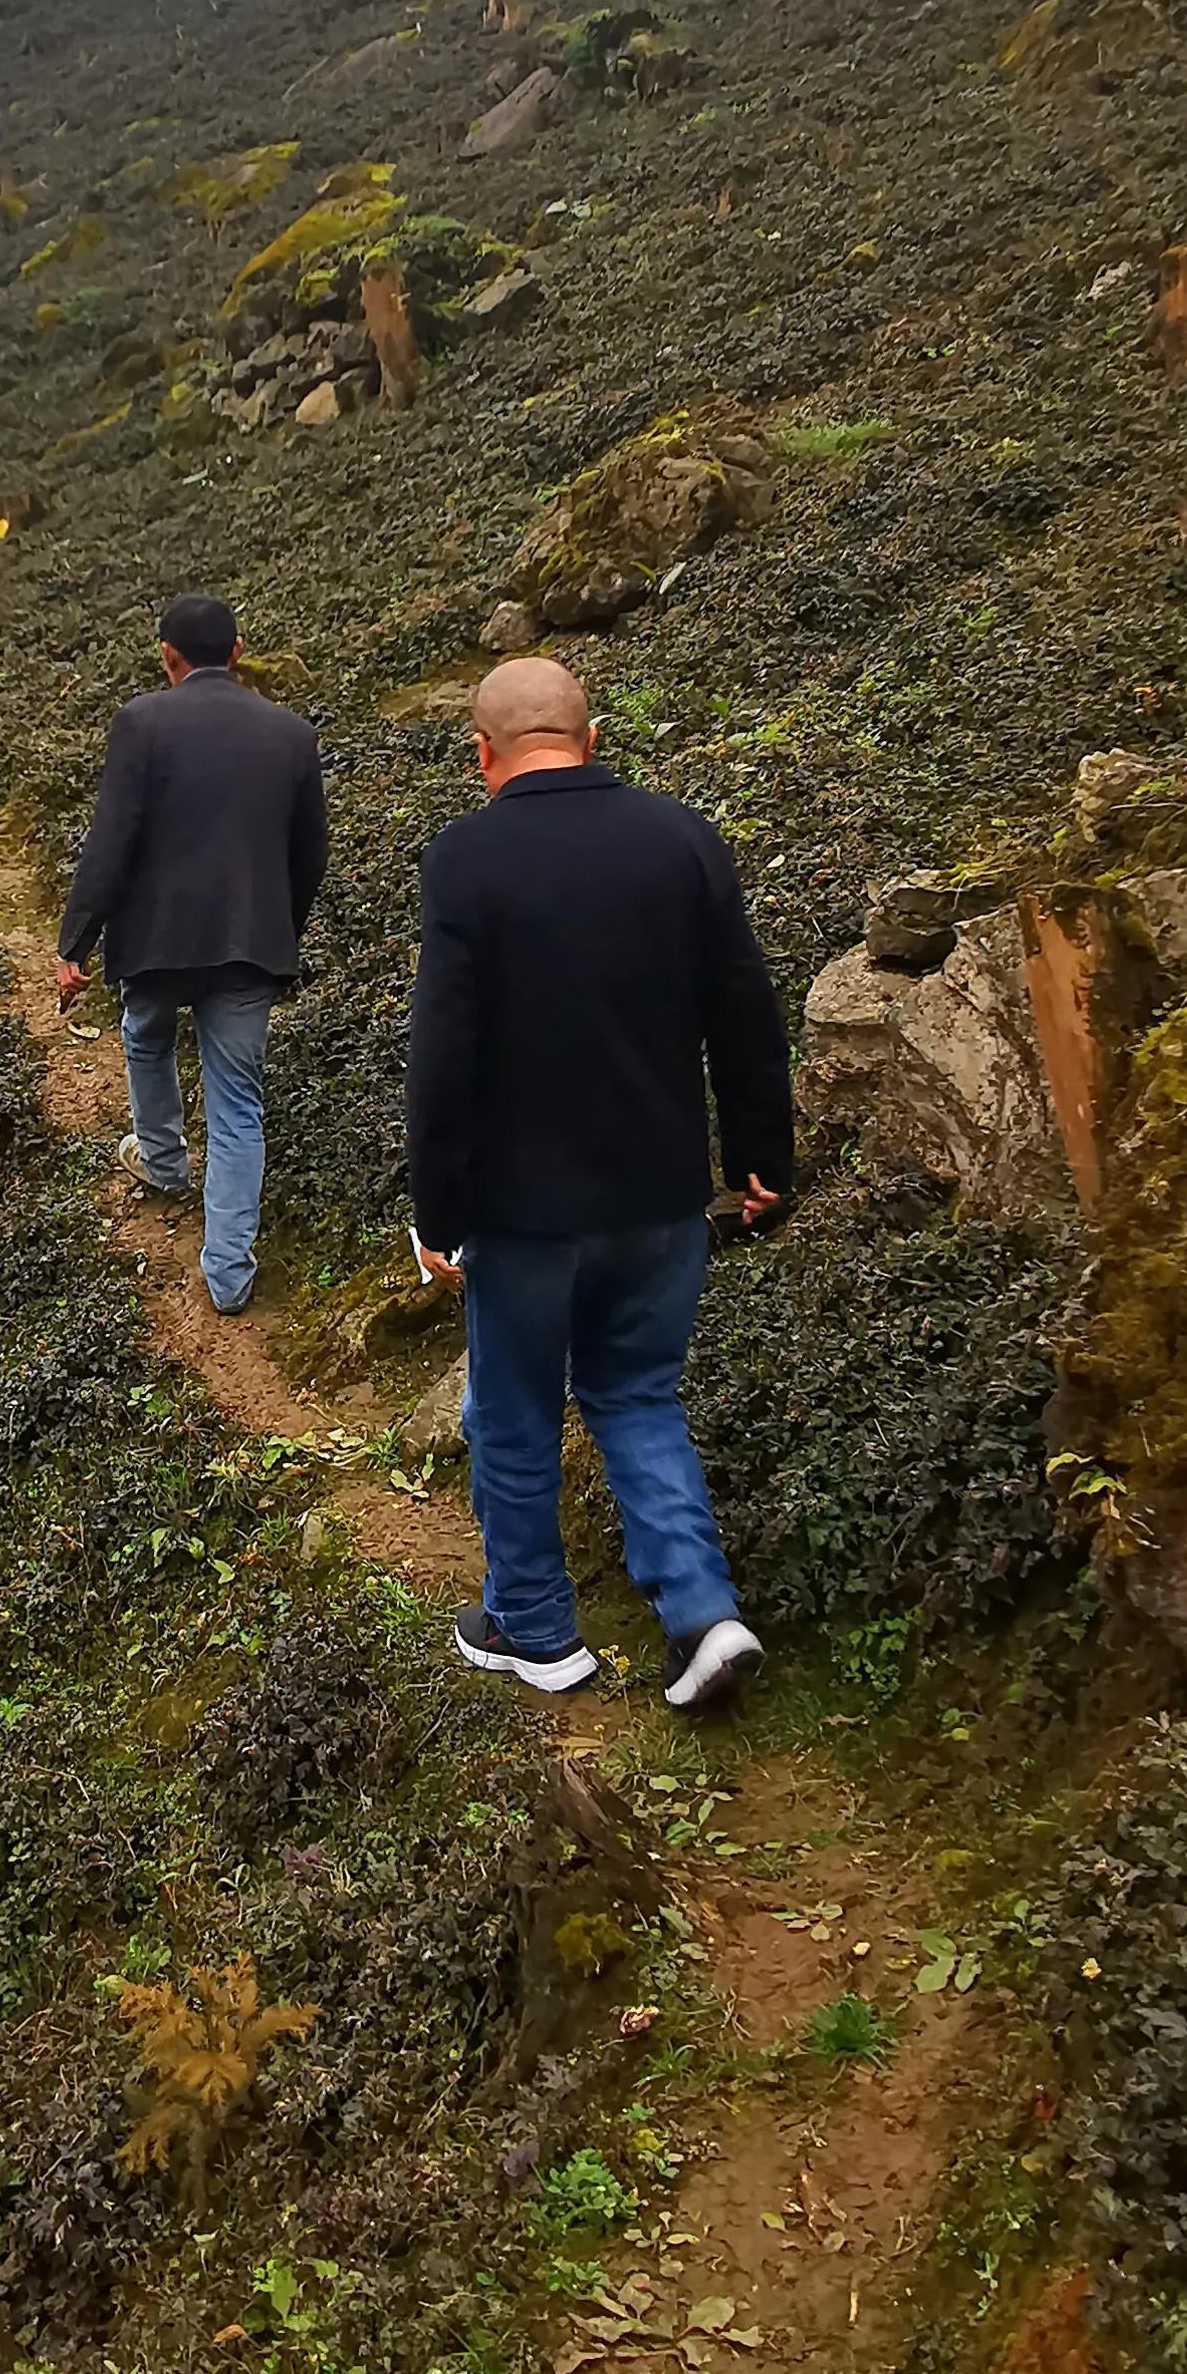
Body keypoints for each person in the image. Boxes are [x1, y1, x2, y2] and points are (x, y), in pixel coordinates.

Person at [404, 652, 791, 1710]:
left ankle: (535, 1628)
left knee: (518, 1411)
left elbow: (443, 1051)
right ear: (593, 733)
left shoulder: (466, 861)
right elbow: (744, 1012)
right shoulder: (682, 837)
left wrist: (437, 1204)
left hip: (527, 1212)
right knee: (636, 1392)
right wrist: (763, 1155)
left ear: (480, 753)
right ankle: (704, 1614)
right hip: (665, 1195)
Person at [55, 592, 327, 1315]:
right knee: (238, 1103)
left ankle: (165, 1162)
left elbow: (111, 839)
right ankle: (229, 1274)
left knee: (145, 1037)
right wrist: (279, 930)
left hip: (156, 941)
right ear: (237, 653)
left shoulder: (141, 722)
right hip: (250, 943)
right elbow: (311, 857)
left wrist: (76, 940)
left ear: (167, 656)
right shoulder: (291, 734)